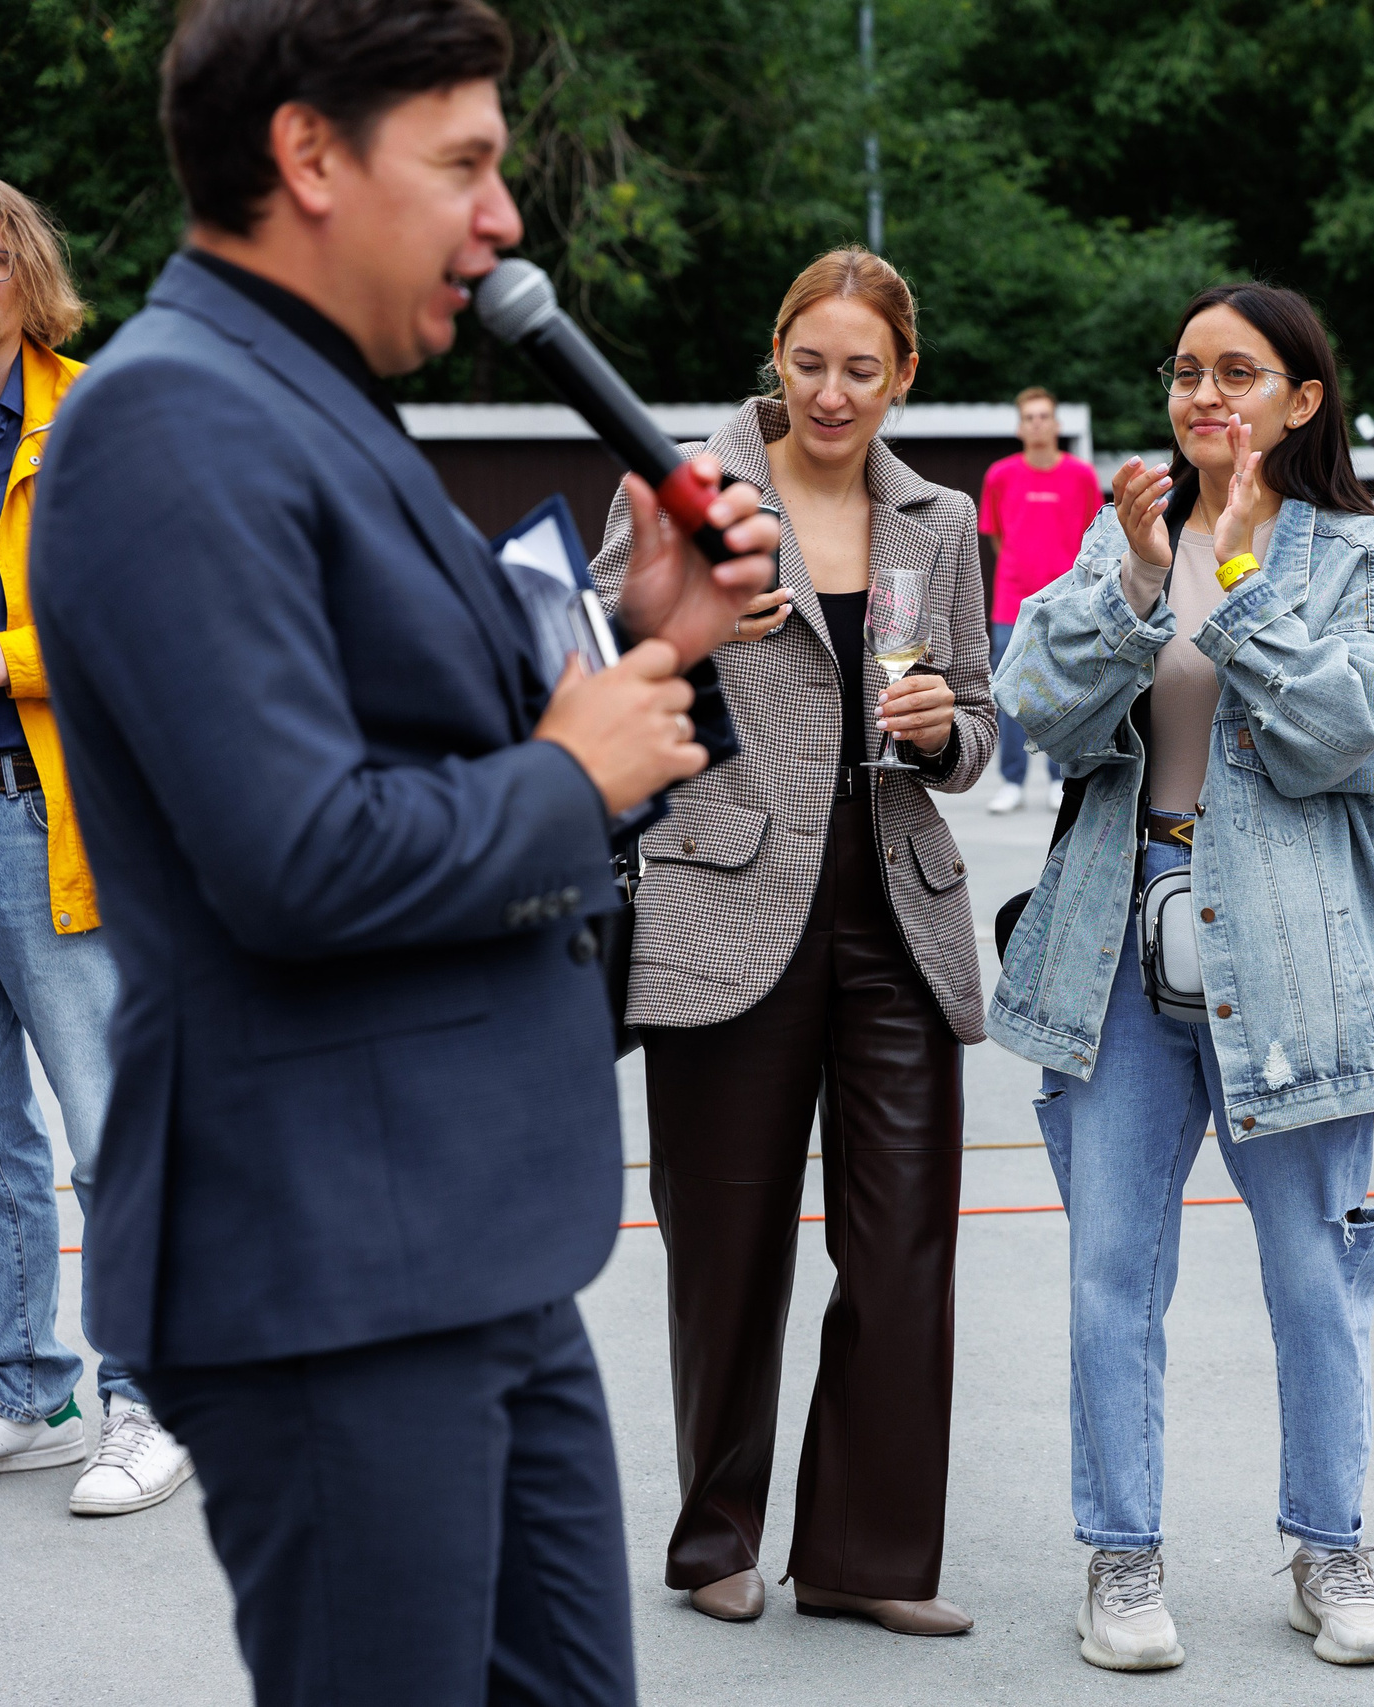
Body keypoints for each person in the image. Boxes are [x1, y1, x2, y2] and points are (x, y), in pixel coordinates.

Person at [27, 3, 779, 1699]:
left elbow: (441, 749)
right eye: (464, 164)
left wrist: (649, 646)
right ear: (308, 154)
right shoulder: (170, 421)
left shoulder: (309, 399)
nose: (503, 220)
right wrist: (571, 775)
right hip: (328, 1264)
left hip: (459, 1237)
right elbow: (296, 857)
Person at [991, 281, 1374, 1673]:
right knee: (1111, 1271)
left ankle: (1329, 1545)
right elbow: (1036, 706)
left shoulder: (1358, 555)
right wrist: (1136, 588)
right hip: (1120, 943)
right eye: (1186, 371)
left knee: (1313, 1268)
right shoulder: (1123, 536)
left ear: (1302, 399)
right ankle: (1121, 1557)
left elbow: (1348, 737)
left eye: (1238, 372)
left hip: (1296, 958)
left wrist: (1237, 585)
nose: (1204, 395)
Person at [594, 247, 992, 1635]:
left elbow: (978, 722)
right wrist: (682, 627)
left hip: (898, 916)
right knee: (727, 1249)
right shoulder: (684, 489)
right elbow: (594, 668)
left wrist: (943, 731)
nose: (831, 392)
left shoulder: (941, 520)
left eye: (861, 370)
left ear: (904, 377)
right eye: (809, 362)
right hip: (724, 906)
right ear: (776, 354)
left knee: (903, 1250)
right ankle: (716, 1536)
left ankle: (864, 1558)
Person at [0, 166, 195, 1517]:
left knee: (112, 1129)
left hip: (57, 816)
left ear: (25, 269)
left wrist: (7, 657)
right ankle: (20, 1385)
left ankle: (152, 1397)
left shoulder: (99, 416)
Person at [980, 386, 1098, 813]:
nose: (1037, 423)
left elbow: (1093, 538)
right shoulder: (1000, 475)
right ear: (1020, 427)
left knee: (1060, 691)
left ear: (1056, 424)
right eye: (1029, 417)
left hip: (1065, 604)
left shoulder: (1081, 476)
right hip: (1011, 602)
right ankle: (1011, 782)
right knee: (1009, 692)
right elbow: (996, 535)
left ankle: (1057, 777)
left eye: (1044, 416)